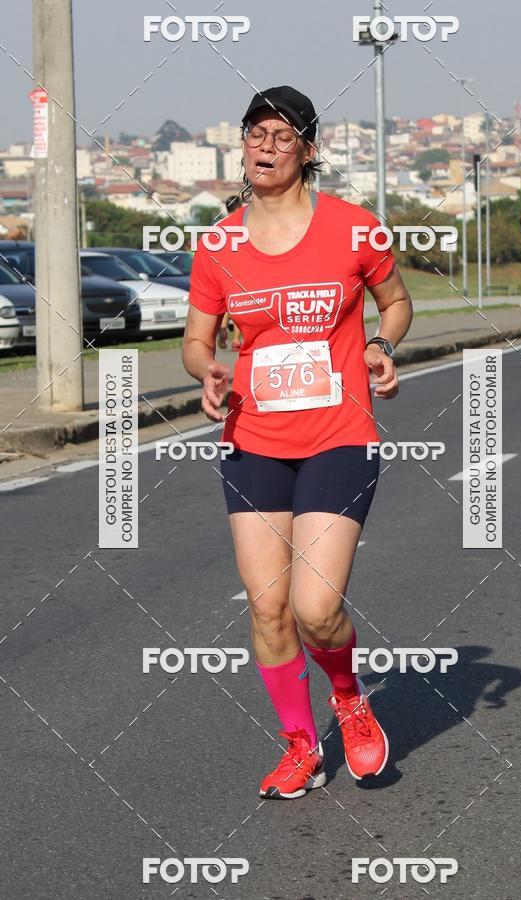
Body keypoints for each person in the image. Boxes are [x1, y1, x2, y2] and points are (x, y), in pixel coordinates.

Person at [183, 85, 413, 799]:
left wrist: (379, 344)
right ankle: (300, 745)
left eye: (283, 137)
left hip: (338, 436)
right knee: (267, 606)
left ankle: (347, 695)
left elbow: (397, 301)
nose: (266, 147)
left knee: (316, 607)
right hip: (253, 439)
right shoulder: (218, 243)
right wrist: (207, 373)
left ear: (308, 151)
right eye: (256, 133)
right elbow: (196, 340)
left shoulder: (354, 229)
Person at [217, 195, 245, 351]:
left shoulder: (219, 225)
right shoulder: (242, 224)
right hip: (239, 268)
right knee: (239, 303)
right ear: (239, 207)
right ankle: (235, 340)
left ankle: (222, 325)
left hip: (222, 268)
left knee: (228, 303)